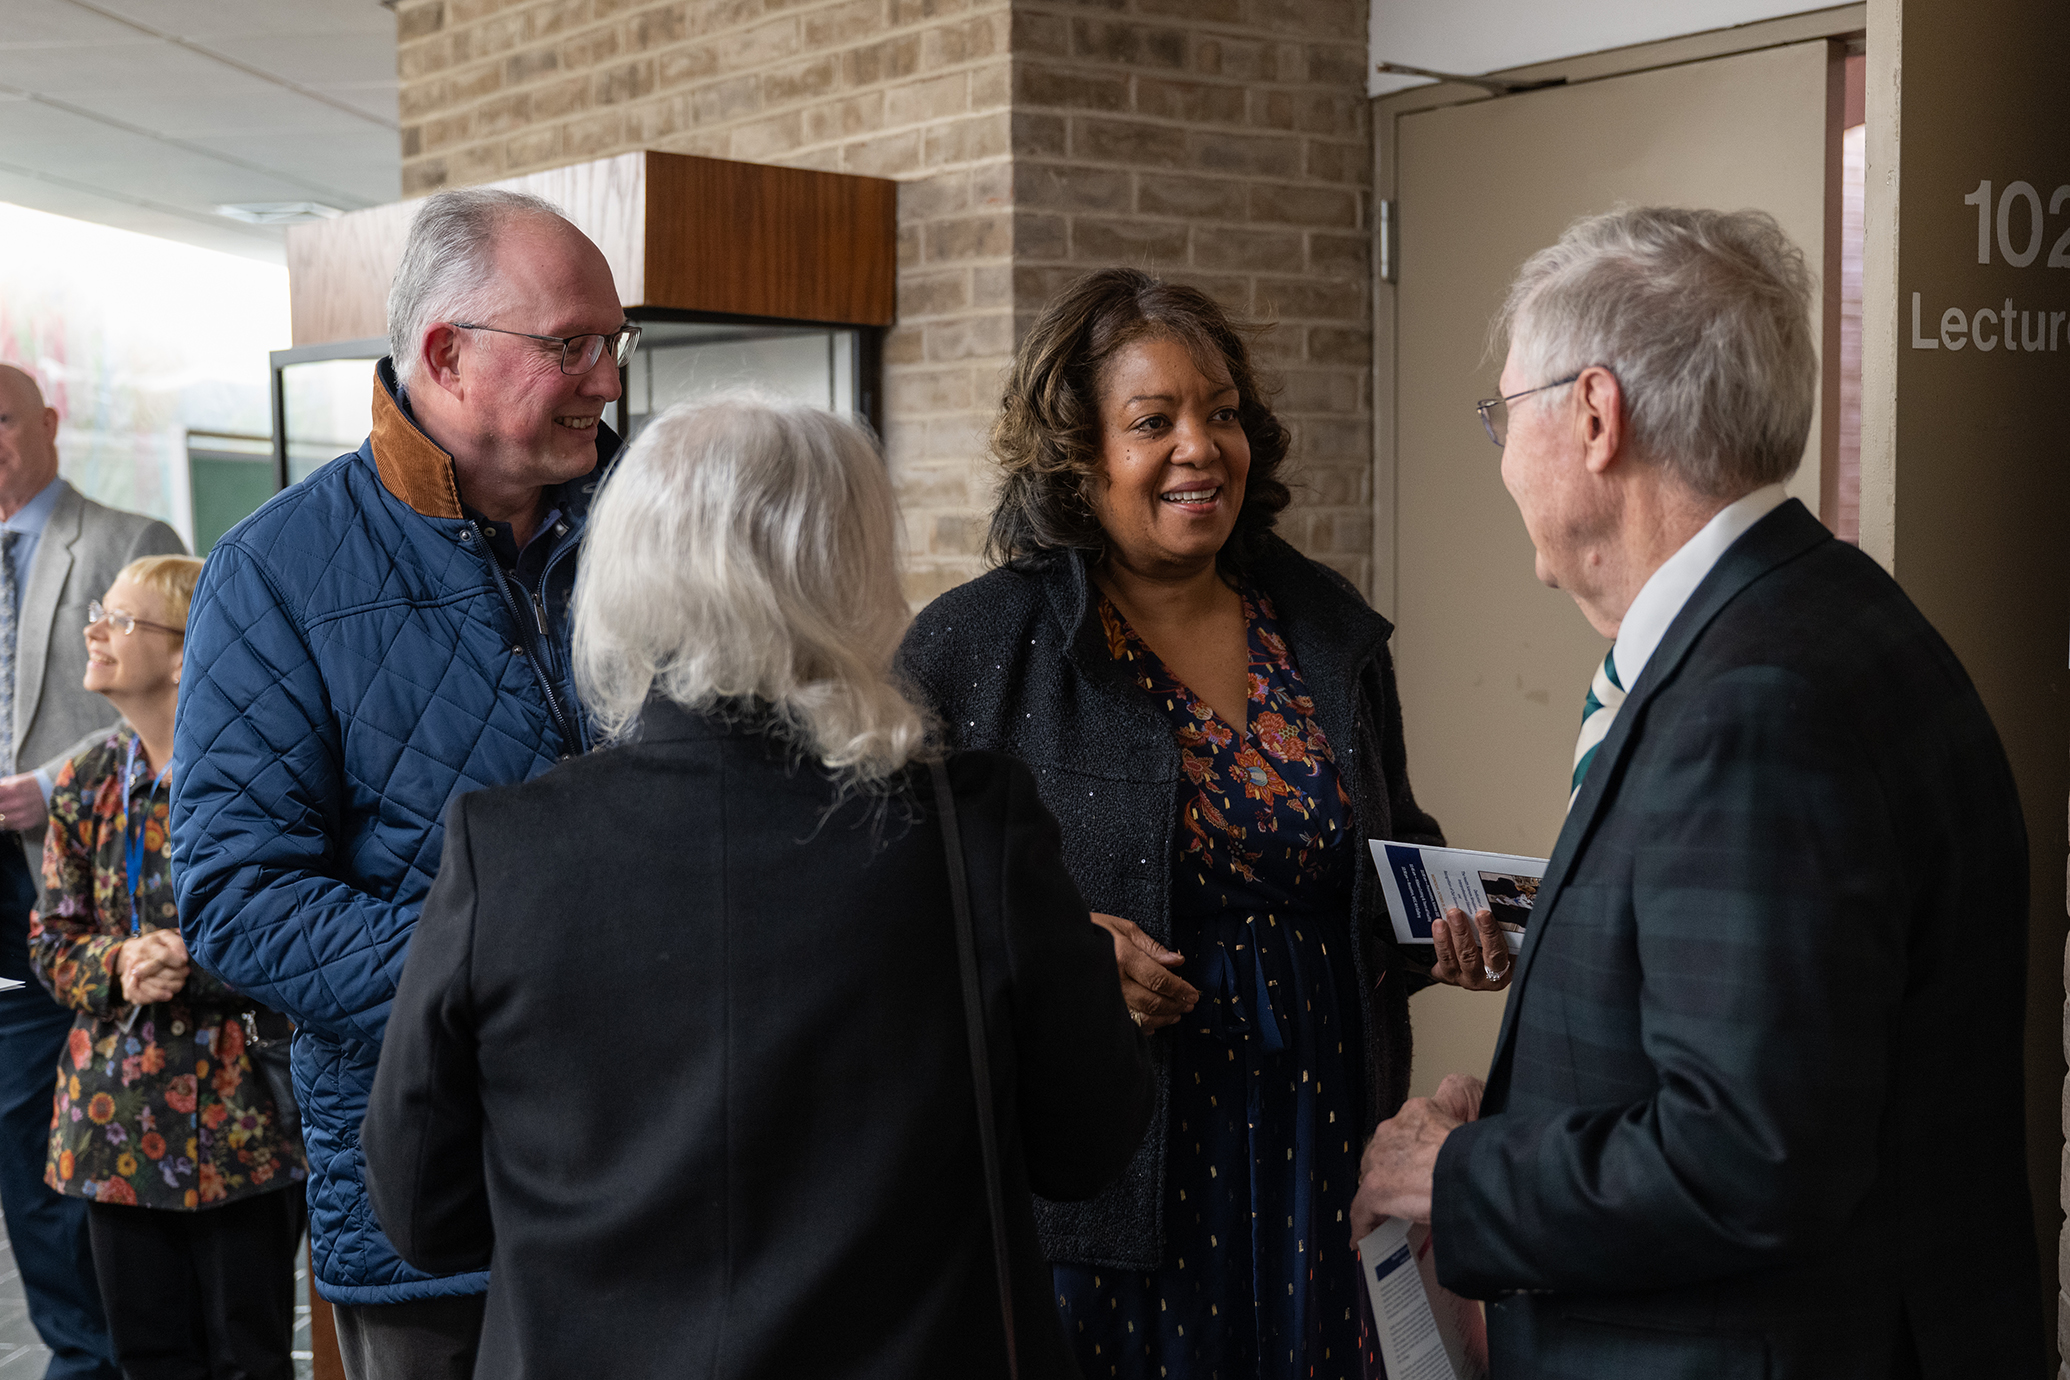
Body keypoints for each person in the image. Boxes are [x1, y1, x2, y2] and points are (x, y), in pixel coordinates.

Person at [1350, 207, 2039, 1378]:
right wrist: (1522, 1115)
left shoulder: (1753, 705)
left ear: (1595, 415)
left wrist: (1461, 1175)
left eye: (1504, 415)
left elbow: (1750, 1157)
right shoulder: (1826, 610)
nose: (1502, 460)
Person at [360, 396, 1154, 1378]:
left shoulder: (504, 848)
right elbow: (1087, 1146)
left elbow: (422, 1216)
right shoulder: (970, 828)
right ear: (850, 570)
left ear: (626, 569)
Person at [898, 267, 1505, 1379]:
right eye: (1153, 422)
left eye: (1221, 414)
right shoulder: (977, 649)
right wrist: (1063, 958)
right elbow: (894, 917)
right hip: (1117, 1167)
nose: (1200, 448)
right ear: (1077, 456)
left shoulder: (1328, 629)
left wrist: (1446, 930)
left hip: (1324, 1136)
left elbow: (1386, 852)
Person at [170, 187, 634, 1379]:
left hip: (664, 1166)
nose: (606, 380)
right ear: (446, 353)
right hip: (436, 1204)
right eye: (571, 346)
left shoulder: (663, 527)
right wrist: (513, 982)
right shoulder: (274, 571)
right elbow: (238, 897)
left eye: (615, 343)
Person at [28, 555, 306, 1380]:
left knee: (249, 1358)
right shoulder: (85, 782)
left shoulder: (257, 774)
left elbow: (298, 929)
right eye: (98, 612)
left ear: (187, 653)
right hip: (113, 1124)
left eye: (120, 619)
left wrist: (190, 960)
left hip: (243, 1124)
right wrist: (119, 963)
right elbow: (50, 942)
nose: (94, 630)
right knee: (148, 1360)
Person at [0, 363, 186, 1380]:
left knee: (97, 1125)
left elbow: (161, 713)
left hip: (81, 868)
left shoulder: (126, 541)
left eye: (0, 419)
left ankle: (111, 1350)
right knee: (22, 1137)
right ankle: (80, 1350)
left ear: (48, 421)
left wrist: (44, 787)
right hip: (27, 907)